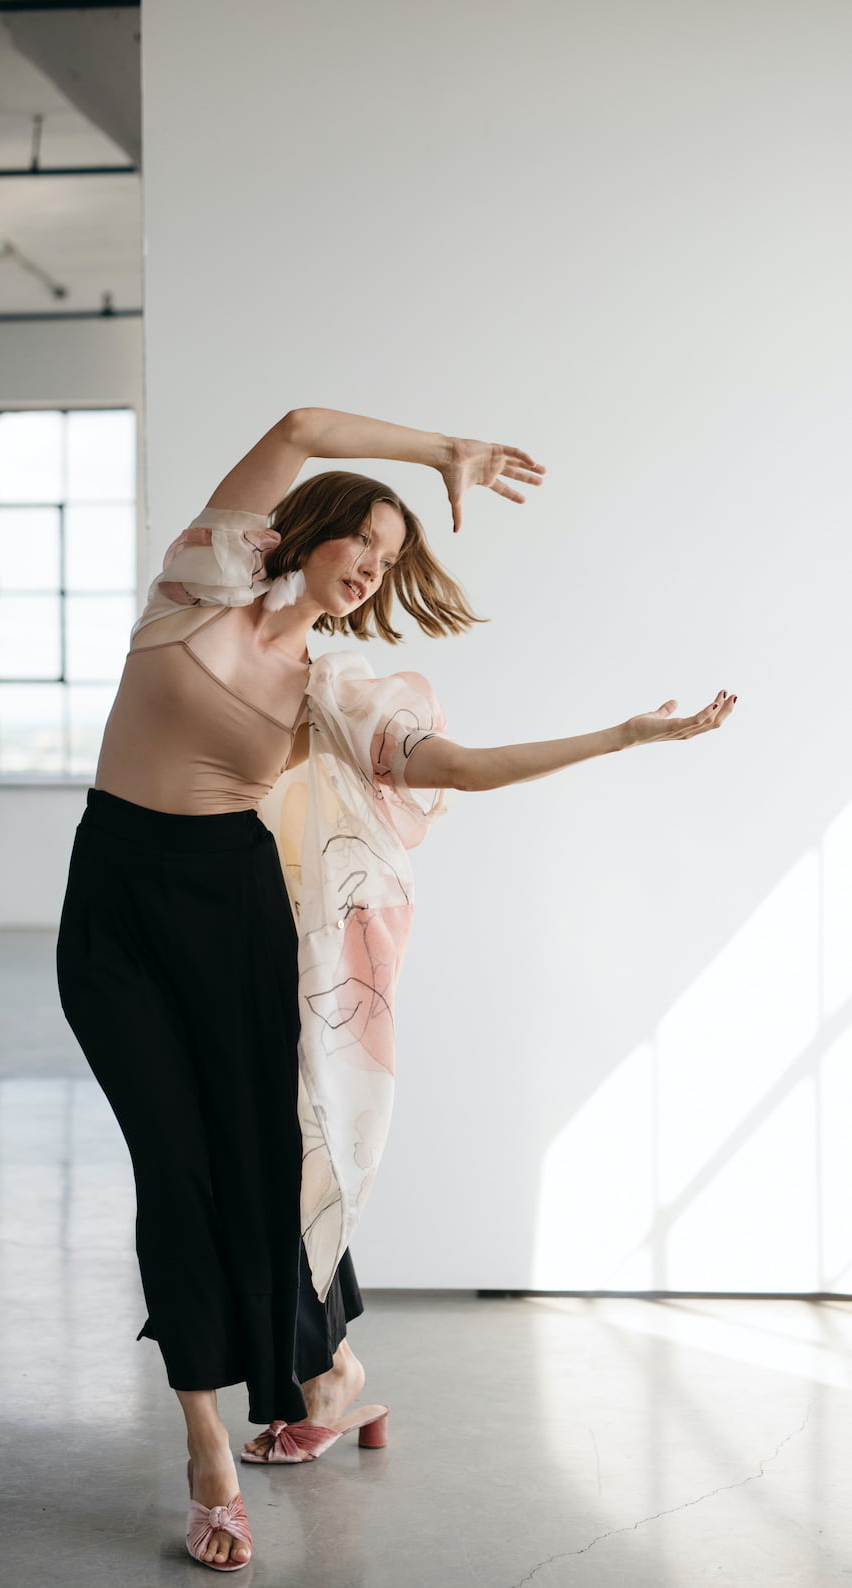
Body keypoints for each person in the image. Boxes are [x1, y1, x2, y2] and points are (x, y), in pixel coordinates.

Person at [55, 406, 737, 1571]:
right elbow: (300, 423)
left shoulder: (335, 688)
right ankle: (226, 1439)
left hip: (231, 922)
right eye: (363, 542)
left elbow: (459, 769)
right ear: (310, 531)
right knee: (169, 1164)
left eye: (389, 561)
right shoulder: (196, 586)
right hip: (111, 904)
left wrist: (623, 736)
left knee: (266, 1161)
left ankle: (304, 1387)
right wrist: (443, 454)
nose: (373, 570)